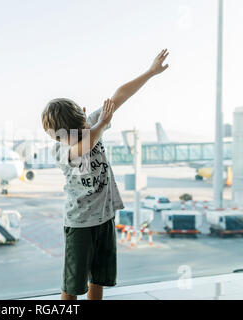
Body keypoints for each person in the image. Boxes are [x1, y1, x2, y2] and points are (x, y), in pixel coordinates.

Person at [41, 49, 169, 300]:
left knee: (98, 278)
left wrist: (150, 73)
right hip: (79, 223)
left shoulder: (88, 124)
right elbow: (84, 146)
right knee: (72, 284)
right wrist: (99, 125)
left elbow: (119, 96)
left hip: (104, 216)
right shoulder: (62, 149)